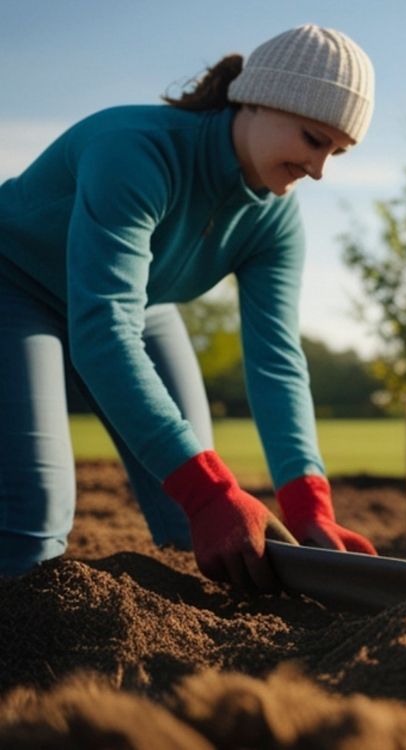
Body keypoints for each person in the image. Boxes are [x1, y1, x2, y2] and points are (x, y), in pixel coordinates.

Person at [0, 25, 378, 590]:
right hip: (16, 285)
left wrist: (309, 505)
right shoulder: (135, 150)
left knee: (192, 506)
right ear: (257, 99)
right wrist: (212, 493)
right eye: (312, 139)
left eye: (338, 152)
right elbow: (102, 329)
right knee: (37, 509)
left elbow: (276, 362)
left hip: (140, 306)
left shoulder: (276, 220)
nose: (320, 169)